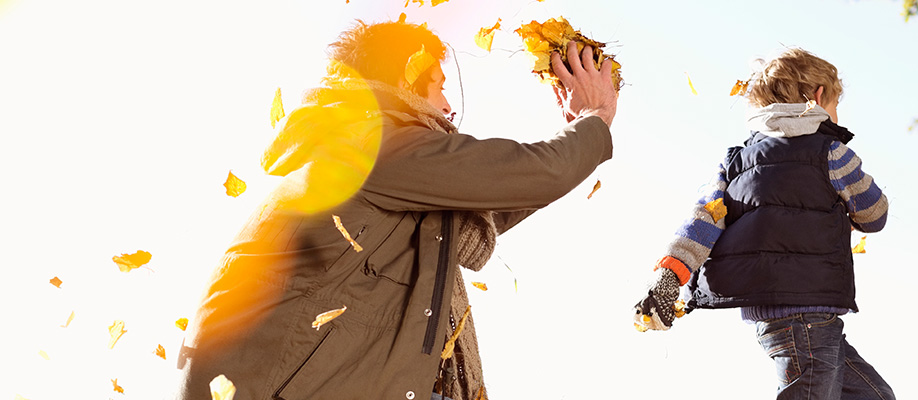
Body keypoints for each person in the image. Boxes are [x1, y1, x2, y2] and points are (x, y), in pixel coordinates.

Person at [176, 18, 617, 400]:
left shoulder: (368, 148)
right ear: (405, 81)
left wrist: (581, 133)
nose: (449, 106)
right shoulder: (371, 142)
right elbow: (530, 173)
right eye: (439, 87)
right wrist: (595, 117)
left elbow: (490, 200)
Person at [632, 48, 893, 400]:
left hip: (784, 320)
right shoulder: (831, 152)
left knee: (874, 396)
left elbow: (703, 221)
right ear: (818, 97)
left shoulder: (735, 163)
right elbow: (874, 215)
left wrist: (669, 277)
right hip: (810, 311)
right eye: (835, 104)